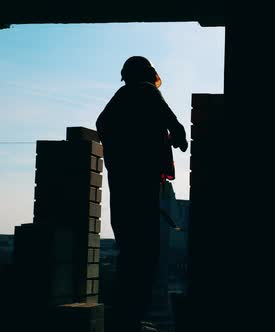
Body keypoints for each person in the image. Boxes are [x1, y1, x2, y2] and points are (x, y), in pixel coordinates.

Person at [96, 56, 188, 332]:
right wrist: (174, 141)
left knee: (130, 252)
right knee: (145, 254)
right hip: (140, 187)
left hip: (123, 188)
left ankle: (124, 319)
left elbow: (103, 125)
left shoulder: (120, 98)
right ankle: (129, 321)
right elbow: (175, 125)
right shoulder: (147, 91)